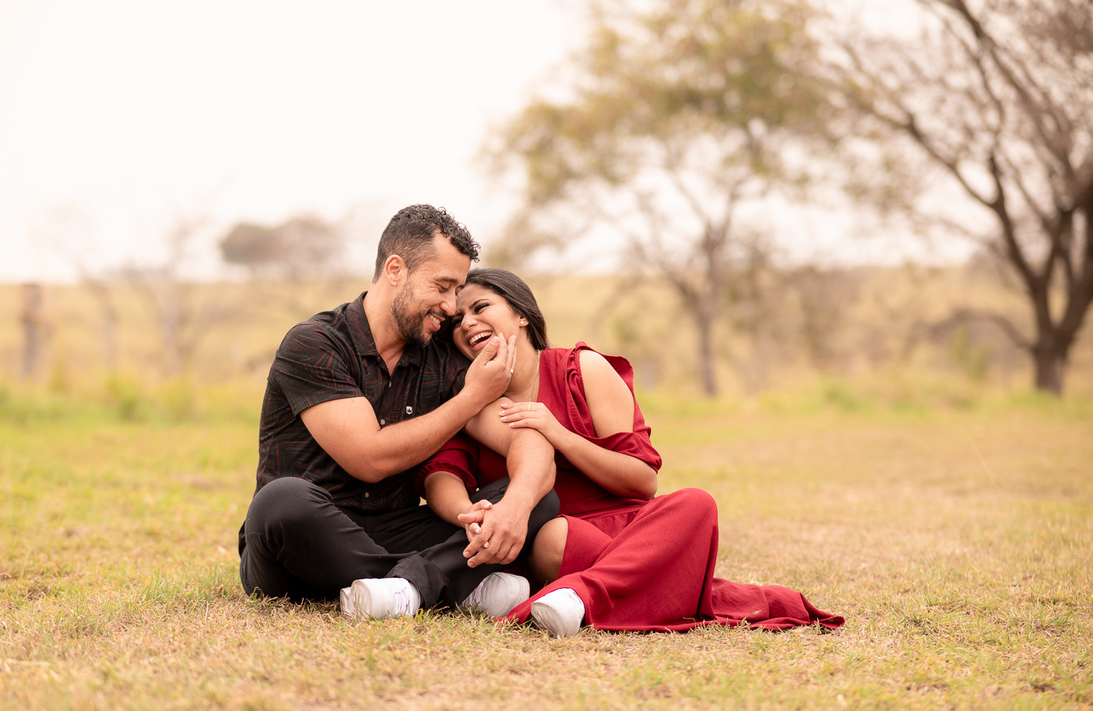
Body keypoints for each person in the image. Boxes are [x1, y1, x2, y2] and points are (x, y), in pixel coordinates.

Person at [419, 267, 844, 637]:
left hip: (633, 531)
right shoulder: (468, 400)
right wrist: (468, 514)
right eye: (456, 320)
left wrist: (560, 434)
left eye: (481, 307)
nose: (467, 323)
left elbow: (643, 481)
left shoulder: (580, 370)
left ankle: (580, 597)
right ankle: (641, 588)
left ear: (523, 314)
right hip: (558, 539)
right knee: (553, 536)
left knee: (696, 503)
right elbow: (443, 472)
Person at [238, 206, 558, 620]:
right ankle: (447, 585)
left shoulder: (440, 356)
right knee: (281, 501)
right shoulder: (314, 343)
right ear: (395, 270)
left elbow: (526, 437)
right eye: (442, 286)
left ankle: (400, 590)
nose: (450, 306)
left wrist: (515, 504)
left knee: (540, 497)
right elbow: (370, 459)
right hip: (307, 537)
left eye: (456, 291)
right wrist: (470, 399)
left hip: (396, 529)